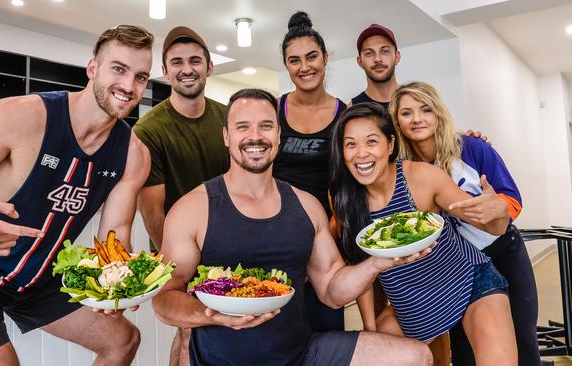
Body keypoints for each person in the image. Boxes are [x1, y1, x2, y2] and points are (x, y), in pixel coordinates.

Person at [0, 25, 154, 365]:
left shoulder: (134, 154)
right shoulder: (21, 116)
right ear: (93, 69)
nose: (129, 86)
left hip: (38, 278)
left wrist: (118, 283)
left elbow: (115, 234)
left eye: (141, 77)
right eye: (118, 69)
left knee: (123, 340)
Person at [153, 88, 434, 366]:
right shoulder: (193, 209)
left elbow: (332, 290)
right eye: (243, 127)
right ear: (227, 136)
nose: (255, 136)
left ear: (278, 135)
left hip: (301, 354)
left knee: (416, 356)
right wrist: (211, 314)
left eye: (266, 126)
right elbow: (164, 299)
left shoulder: (306, 206)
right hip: (224, 359)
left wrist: (378, 262)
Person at [328, 102, 518, 365]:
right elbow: (360, 266)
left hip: (468, 279)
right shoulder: (343, 199)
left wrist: (497, 211)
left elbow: (493, 227)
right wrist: (371, 332)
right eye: (350, 144)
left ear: (390, 145)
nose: (361, 154)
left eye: (371, 141)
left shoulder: (423, 178)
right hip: (411, 304)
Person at [389, 81, 539, 366]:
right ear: (397, 121)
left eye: (425, 109)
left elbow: (513, 199)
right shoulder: (402, 168)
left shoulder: (472, 147)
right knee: (467, 349)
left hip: (503, 251)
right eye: (406, 113)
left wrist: (496, 208)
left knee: (522, 340)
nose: (417, 119)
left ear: (439, 113)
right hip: (458, 266)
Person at [132, 26, 228, 366]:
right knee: (190, 330)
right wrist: (176, 271)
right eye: (177, 62)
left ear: (209, 66)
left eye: (195, 60)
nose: (187, 68)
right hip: (178, 251)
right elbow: (152, 212)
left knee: (225, 330)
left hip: (225, 245)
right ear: (165, 70)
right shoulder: (149, 130)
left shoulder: (227, 118)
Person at [274, 11, 348, 333]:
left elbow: (348, 184)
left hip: (325, 236)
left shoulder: (343, 115)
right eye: (294, 60)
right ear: (287, 65)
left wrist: (330, 232)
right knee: (278, 325)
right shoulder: (274, 110)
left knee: (324, 326)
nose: (304, 67)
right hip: (276, 233)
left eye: (311, 57)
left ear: (325, 58)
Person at [350, 24, 400, 109]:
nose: (377, 59)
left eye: (385, 51)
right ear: (360, 62)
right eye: (369, 53)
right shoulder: (353, 109)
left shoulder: (418, 99)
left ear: (397, 57)